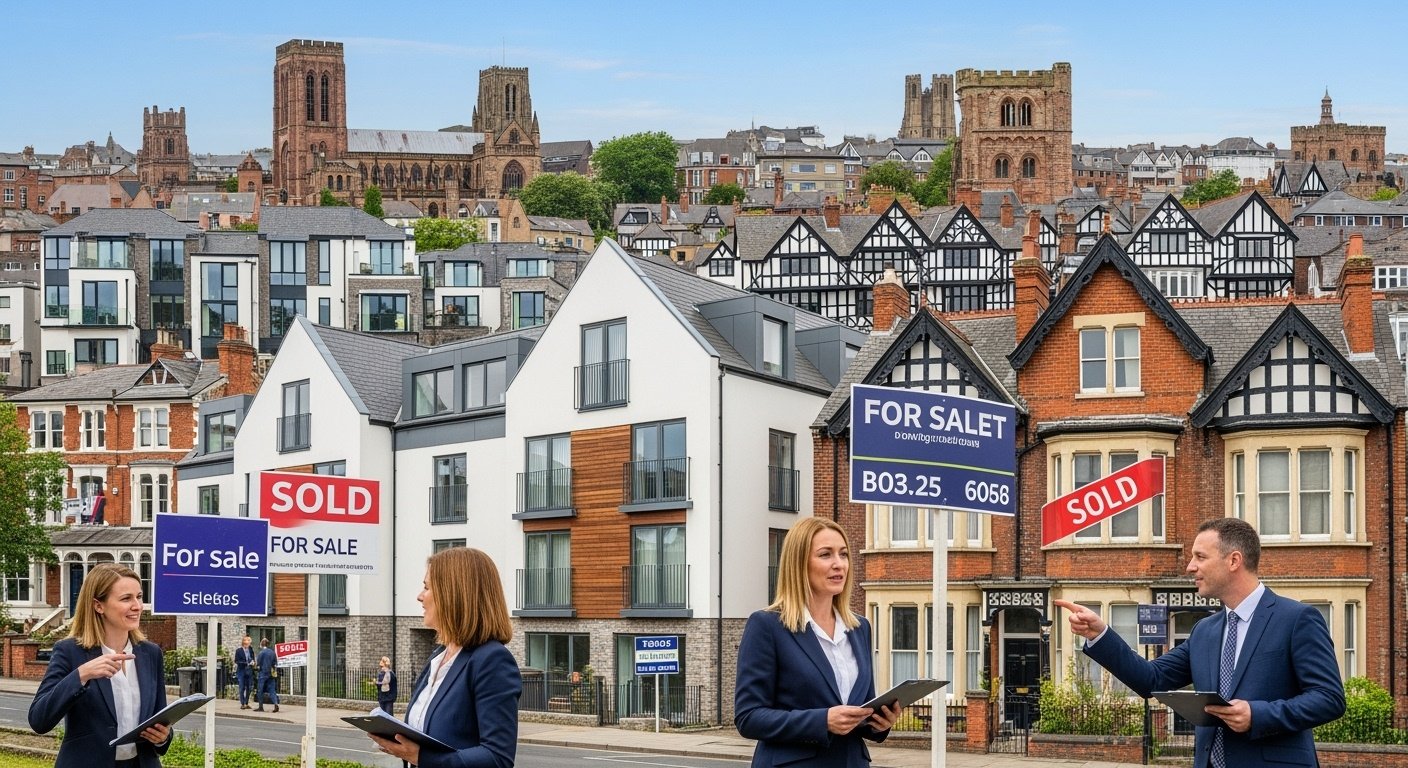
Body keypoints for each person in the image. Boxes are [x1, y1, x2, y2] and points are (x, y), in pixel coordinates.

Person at [1055, 517, 1345, 768]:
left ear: (1233, 561)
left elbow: (1329, 698)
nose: (1190, 567)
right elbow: (1151, 679)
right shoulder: (1204, 630)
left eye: (1200, 557)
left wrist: (1258, 715)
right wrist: (1100, 634)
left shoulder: (1297, 619)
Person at [735, 517, 899, 767]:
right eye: (825, 555)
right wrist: (822, 721)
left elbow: (860, 709)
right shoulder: (767, 626)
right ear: (799, 563)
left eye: (843, 554)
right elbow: (748, 717)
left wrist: (880, 723)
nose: (839, 564)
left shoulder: (859, 627)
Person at [368, 547, 520, 768]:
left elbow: (497, 758)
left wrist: (421, 757)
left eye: (427, 587)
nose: (419, 596)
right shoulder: (439, 656)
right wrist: (400, 743)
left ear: (453, 594)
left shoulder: (491, 660)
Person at [28, 563, 172, 767]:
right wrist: (82, 675)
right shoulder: (70, 652)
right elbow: (39, 720)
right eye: (126, 598)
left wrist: (163, 737)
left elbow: (160, 719)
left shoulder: (151, 653)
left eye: (139, 596)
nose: (137, 606)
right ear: (98, 606)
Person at [254, 637, 280, 713]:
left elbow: (258, 664)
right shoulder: (272, 652)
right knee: (272, 690)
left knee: (260, 690)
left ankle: (260, 707)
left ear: (262, 644)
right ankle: (275, 704)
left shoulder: (261, 653)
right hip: (271, 674)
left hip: (263, 673)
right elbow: (275, 663)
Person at [233, 635, 255, 709]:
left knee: (249, 687)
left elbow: (253, 658)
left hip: (249, 670)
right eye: (248, 642)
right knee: (242, 687)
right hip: (241, 671)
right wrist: (245, 663)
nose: (249, 644)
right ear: (244, 643)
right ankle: (242, 704)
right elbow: (236, 661)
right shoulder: (238, 651)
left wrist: (253, 662)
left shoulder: (250, 650)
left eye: (249, 642)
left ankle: (246, 702)